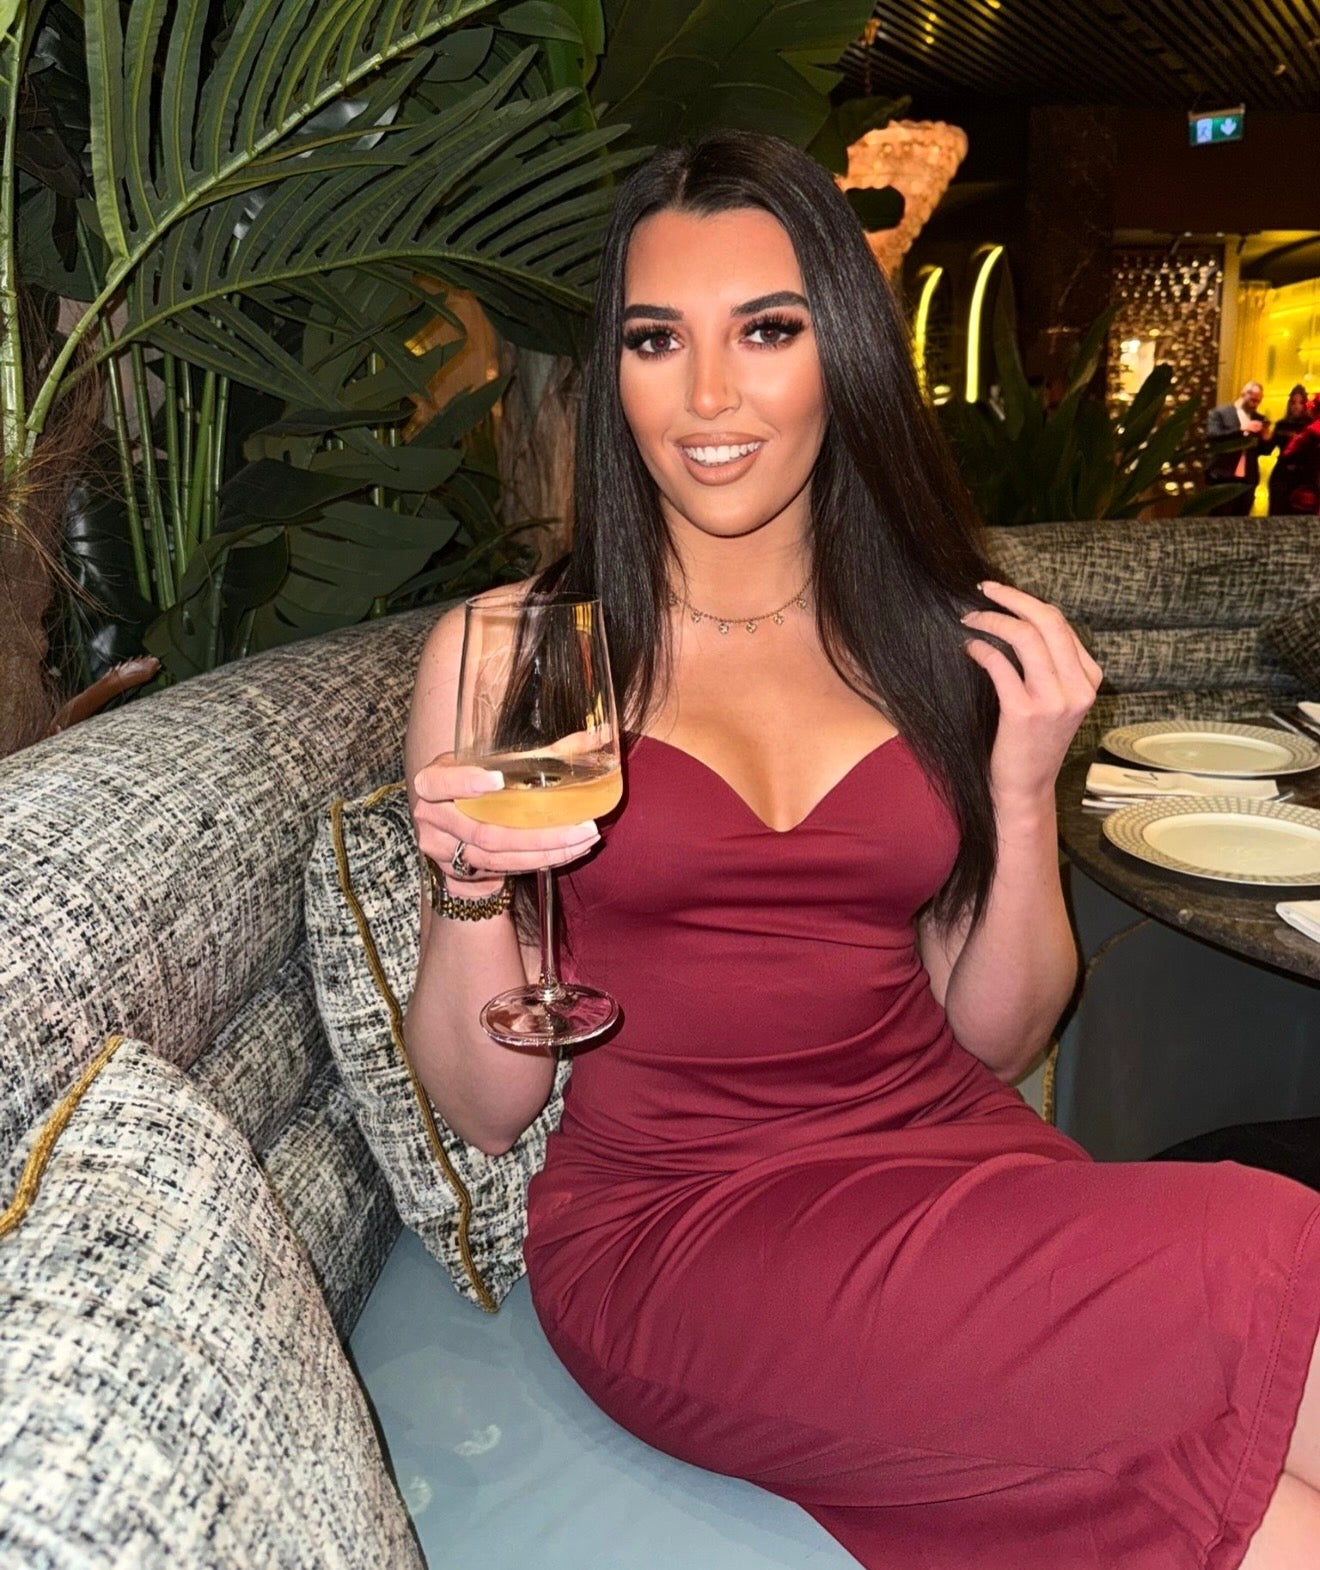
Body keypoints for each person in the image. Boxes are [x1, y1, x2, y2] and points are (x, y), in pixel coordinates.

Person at [403, 131, 1320, 1569]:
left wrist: (1025, 791)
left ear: (844, 351)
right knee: (1268, 1243)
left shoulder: (931, 636)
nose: (709, 396)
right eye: (657, 339)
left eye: (766, 330)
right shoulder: (515, 652)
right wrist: (467, 884)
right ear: (615, 371)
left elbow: (994, 1035)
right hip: (686, 1227)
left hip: (951, 1156)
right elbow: (485, 1111)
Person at [1205, 381, 1273, 515]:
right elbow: (1213, 436)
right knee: (1220, 517)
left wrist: (1266, 439)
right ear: (1243, 394)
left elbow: (1265, 452)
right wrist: (1242, 429)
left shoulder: (1259, 418)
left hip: (1248, 479)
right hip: (1223, 476)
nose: (1255, 404)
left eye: (1258, 401)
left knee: (1241, 519)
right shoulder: (1220, 413)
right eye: (1253, 400)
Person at [1268, 385, 1317, 515]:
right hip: (1282, 475)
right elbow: (1268, 450)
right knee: (1278, 513)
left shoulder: (1311, 426)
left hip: (1304, 477)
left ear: (1305, 405)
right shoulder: (1281, 424)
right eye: (1293, 402)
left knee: (1301, 516)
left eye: (1300, 403)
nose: (1296, 406)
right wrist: (1266, 438)